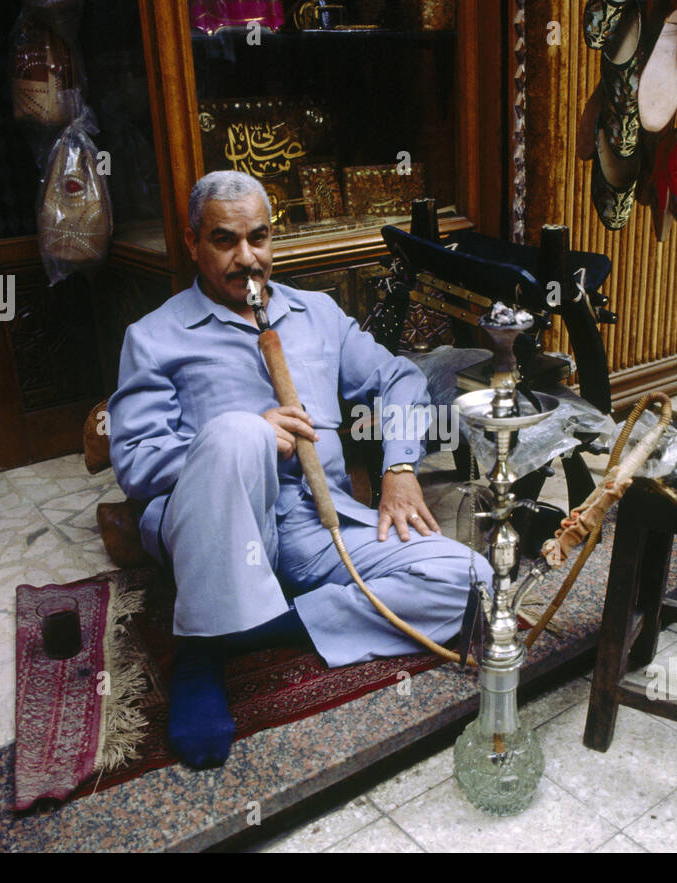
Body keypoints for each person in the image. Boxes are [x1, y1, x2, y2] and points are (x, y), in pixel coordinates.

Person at [107, 170, 493, 768]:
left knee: (474, 584)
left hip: (320, 524)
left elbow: (400, 377)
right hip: (217, 535)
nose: (247, 259)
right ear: (191, 242)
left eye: (258, 238)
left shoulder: (318, 315)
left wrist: (399, 468)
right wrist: (251, 436)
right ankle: (201, 651)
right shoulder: (154, 336)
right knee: (237, 432)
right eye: (223, 241)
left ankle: (270, 626)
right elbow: (134, 462)